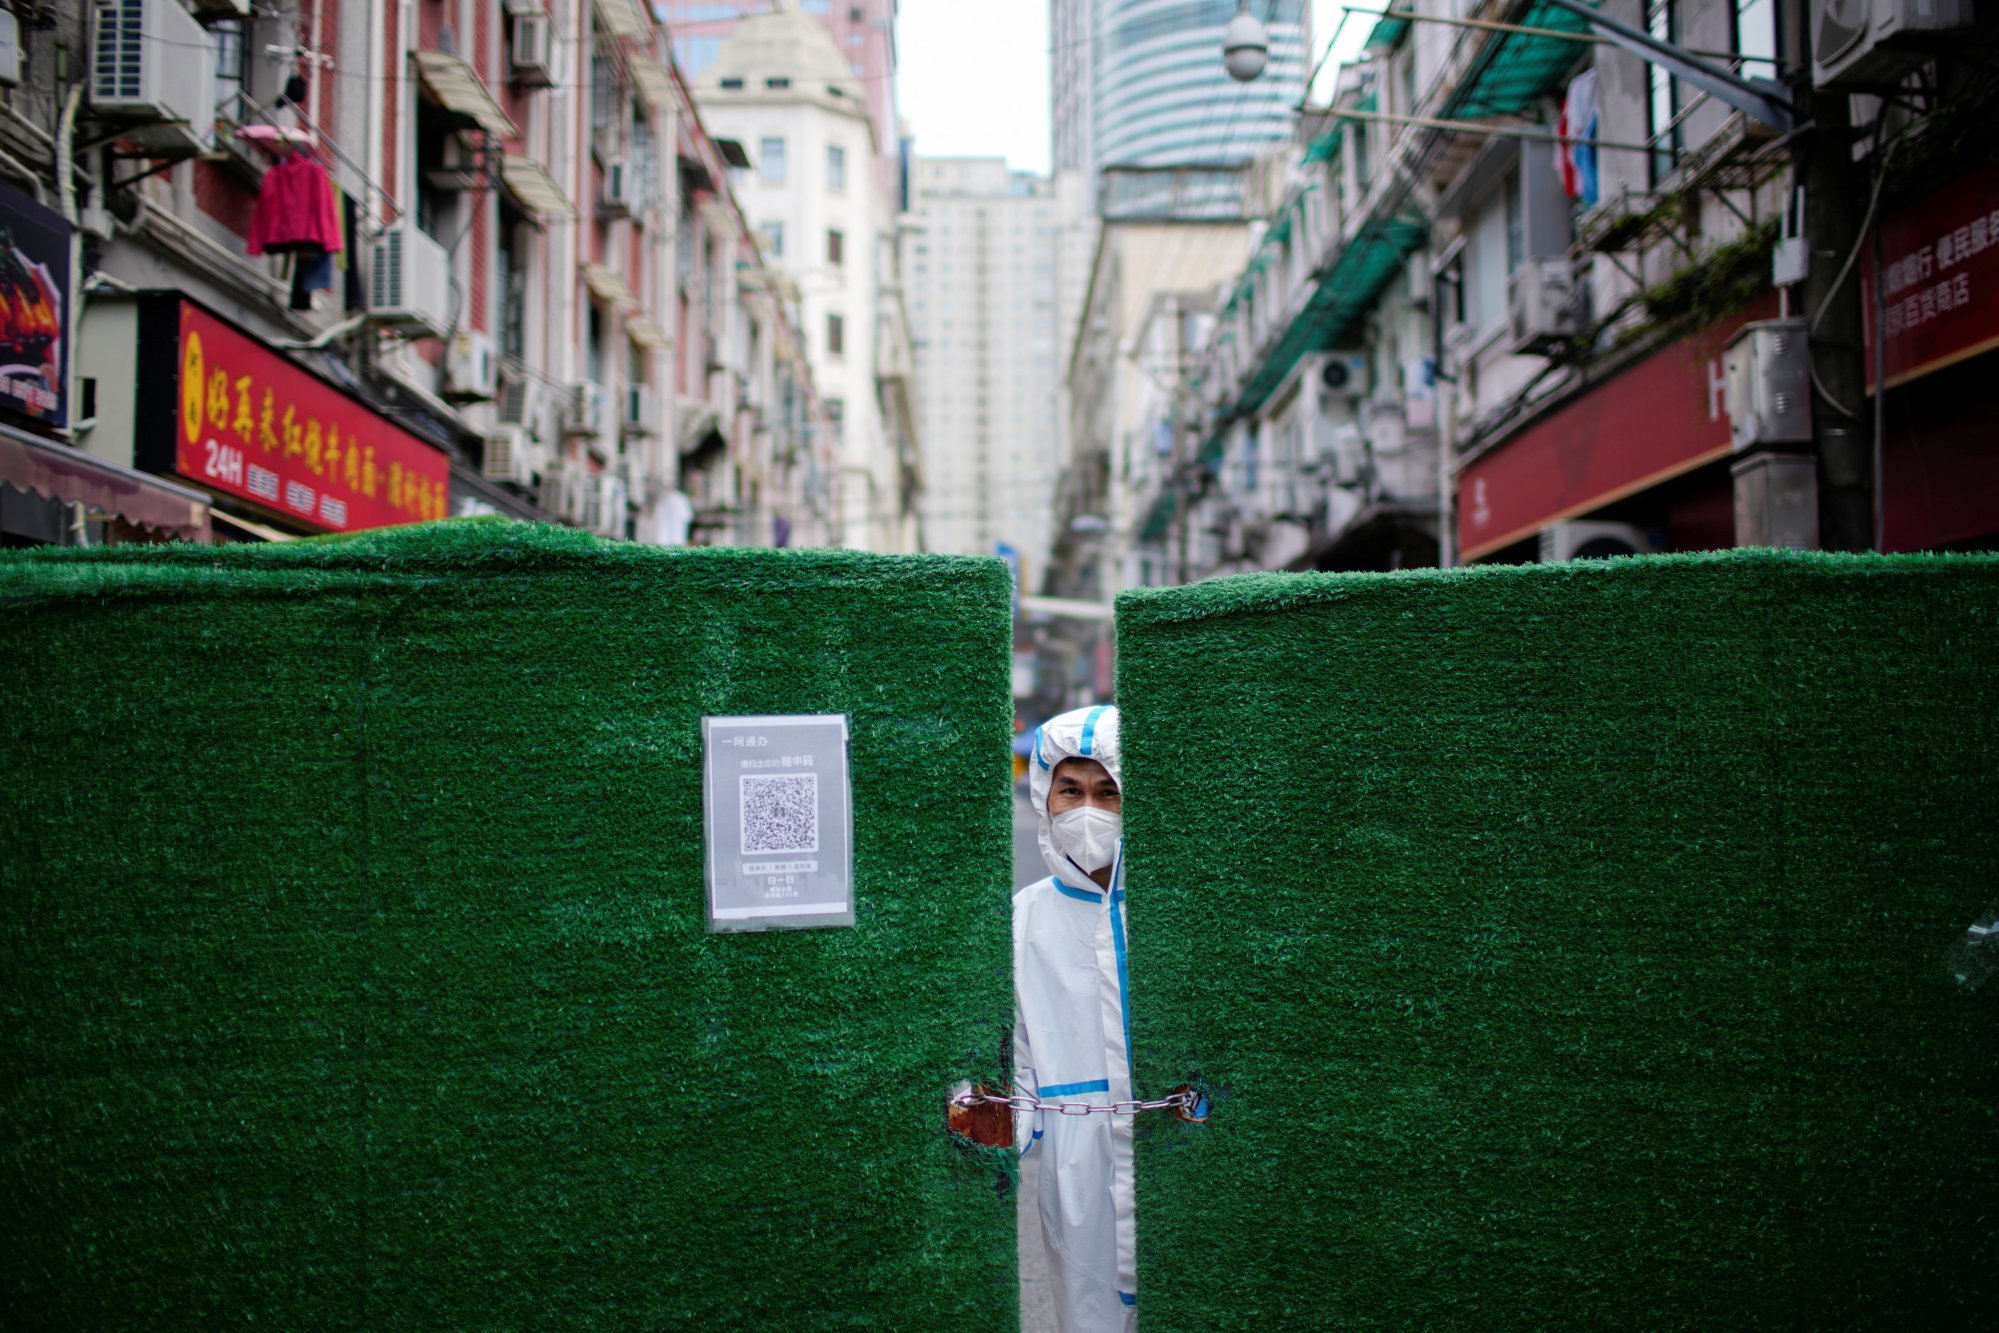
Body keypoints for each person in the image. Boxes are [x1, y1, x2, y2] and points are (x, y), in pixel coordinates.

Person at [1013, 704, 1135, 1332]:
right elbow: (1017, 1064)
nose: (1087, 808)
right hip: (1076, 1171)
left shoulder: (1176, 909)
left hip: (1173, 1154)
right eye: (1071, 789)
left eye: (1106, 791)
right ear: (1045, 796)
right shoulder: (1022, 919)